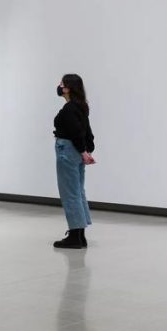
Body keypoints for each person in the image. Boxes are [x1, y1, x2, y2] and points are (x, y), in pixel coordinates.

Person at [53, 73, 95, 249]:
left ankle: (75, 236)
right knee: (78, 191)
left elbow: (77, 132)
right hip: (76, 152)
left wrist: (83, 151)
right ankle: (80, 234)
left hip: (68, 151)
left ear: (68, 88)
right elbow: (88, 133)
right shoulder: (81, 107)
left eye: (62, 84)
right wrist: (87, 150)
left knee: (70, 193)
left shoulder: (69, 109)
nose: (59, 87)